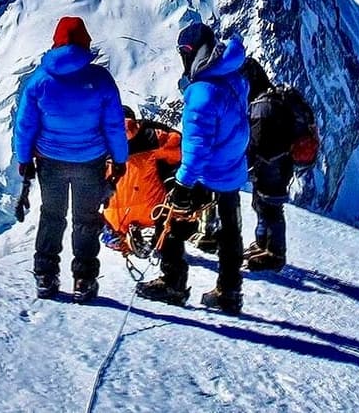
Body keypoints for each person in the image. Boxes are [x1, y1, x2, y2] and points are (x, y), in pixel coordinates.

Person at [13, 16, 128, 304]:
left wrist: (24, 158)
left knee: (52, 215)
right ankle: (84, 279)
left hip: (49, 161)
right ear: (85, 42)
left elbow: (25, 125)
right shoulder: (100, 79)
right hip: (90, 160)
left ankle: (45, 275)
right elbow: (114, 124)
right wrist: (120, 158)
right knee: (86, 220)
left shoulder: (39, 80)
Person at [136, 22, 249, 314]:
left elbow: (197, 148)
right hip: (232, 167)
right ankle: (229, 290)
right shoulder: (234, 75)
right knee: (230, 230)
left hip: (208, 171)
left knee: (171, 220)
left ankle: (173, 283)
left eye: (186, 52)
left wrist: (183, 184)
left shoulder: (202, 93)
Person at [101, 106, 181, 256]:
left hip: (115, 217)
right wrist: (154, 127)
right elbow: (181, 149)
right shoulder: (152, 137)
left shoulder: (101, 143)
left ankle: (115, 236)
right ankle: (151, 235)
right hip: (153, 211)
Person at [241, 57, 294, 272]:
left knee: (270, 208)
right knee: (263, 206)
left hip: (271, 169)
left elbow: (259, 142)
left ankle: (274, 254)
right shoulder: (269, 99)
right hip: (278, 167)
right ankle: (263, 245)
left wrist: (249, 160)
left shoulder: (262, 106)